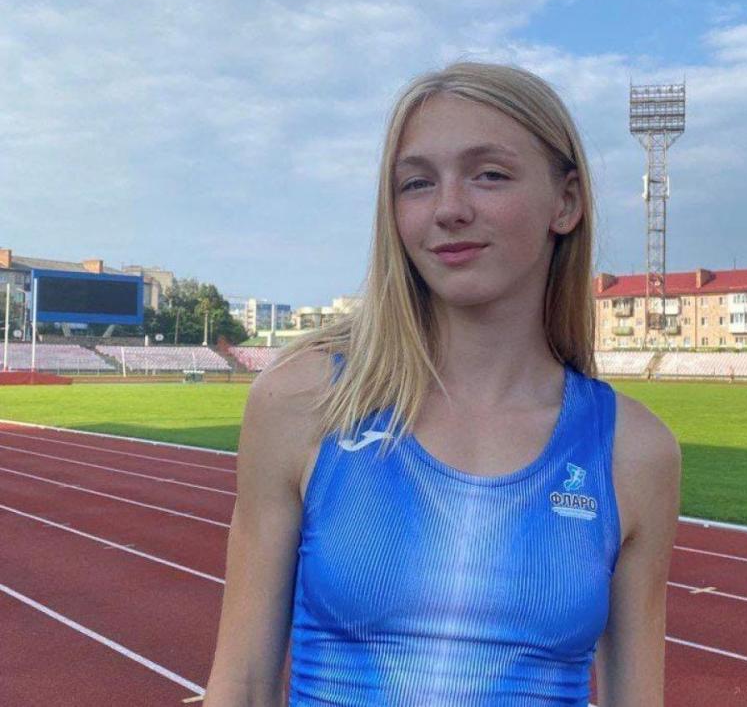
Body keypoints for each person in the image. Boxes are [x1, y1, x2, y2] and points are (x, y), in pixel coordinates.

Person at [204, 61, 682, 706]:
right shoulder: (306, 401)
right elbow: (241, 685)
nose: (450, 209)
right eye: (417, 183)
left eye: (490, 175)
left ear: (566, 202)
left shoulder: (633, 451)